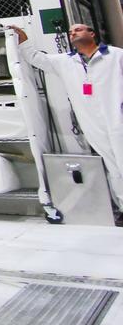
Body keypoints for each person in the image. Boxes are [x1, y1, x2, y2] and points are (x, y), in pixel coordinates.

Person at [12, 23, 123, 213]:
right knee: (114, 169)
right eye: (70, 32)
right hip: (92, 124)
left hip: (117, 119)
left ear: (92, 33)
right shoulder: (65, 61)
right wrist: (22, 38)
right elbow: (36, 58)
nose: (73, 33)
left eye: (78, 30)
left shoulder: (115, 55)